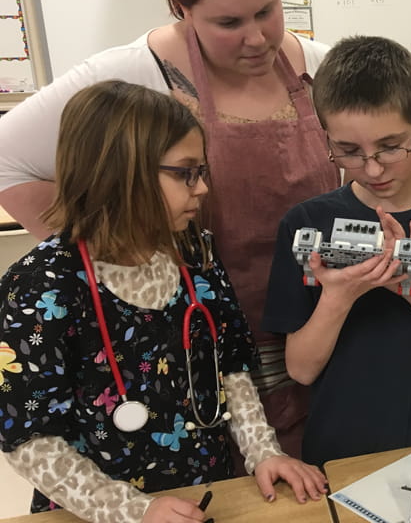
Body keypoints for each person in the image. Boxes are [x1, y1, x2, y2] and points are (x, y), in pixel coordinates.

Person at [0, 0, 338, 458]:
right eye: (228, 22)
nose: (257, 38)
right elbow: (6, 159)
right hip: (195, 332)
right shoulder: (133, 72)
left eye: (268, 12)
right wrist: (101, 269)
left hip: (315, 323)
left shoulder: (319, 66)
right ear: (179, 5)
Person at [0, 81, 327, 522]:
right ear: (119, 174)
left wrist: (263, 453)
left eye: (202, 170)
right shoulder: (41, 286)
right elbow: (30, 439)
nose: (203, 188)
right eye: (186, 172)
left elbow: (230, 369)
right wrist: (133, 510)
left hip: (206, 492)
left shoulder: (196, 256)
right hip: (94, 509)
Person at [262, 36, 411, 465]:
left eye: (391, 146)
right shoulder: (304, 225)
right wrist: (338, 295)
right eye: (349, 152)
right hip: (338, 454)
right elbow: (300, 370)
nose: (372, 169)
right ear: (326, 137)